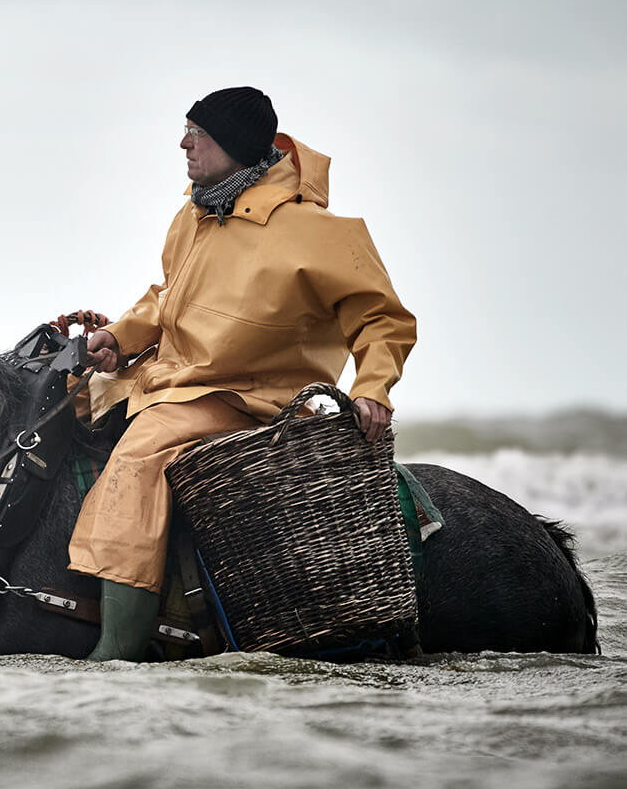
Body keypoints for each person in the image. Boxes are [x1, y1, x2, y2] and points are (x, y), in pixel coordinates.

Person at [70, 86, 417, 661]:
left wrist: (373, 388)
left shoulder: (318, 232)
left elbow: (382, 318)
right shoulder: (195, 213)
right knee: (59, 399)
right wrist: (117, 338)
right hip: (172, 379)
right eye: (185, 129)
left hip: (247, 398)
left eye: (197, 133)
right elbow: (166, 297)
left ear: (234, 144)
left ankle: (117, 650)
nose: (184, 143)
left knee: (138, 457)